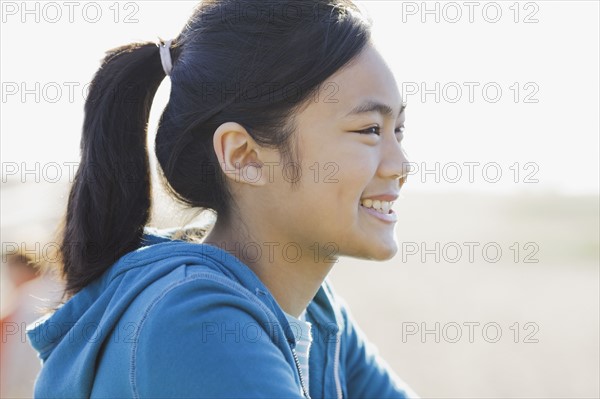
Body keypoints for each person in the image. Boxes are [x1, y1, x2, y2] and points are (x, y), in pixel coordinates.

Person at [26, 0, 418, 397]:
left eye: (398, 130)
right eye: (369, 129)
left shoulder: (317, 312)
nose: (400, 165)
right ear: (243, 156)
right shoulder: (193, 322)